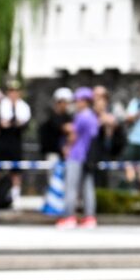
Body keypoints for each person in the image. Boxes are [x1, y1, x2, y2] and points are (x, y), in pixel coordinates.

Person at [58, 87, 100, 230]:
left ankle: (69, 216)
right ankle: (90, 217)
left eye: (77, 100)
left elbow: (73, 135)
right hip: (88, 156)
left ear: (85, 101)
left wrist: (67, 148)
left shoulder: (81, 116)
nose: (76, 103)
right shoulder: (93, 117)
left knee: (71, 187)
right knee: (88, 188)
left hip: (76, 155)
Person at [0, 80, 32, 208]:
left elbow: (23, 124)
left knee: (16, 171)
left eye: (15, 91)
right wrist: (12, 124)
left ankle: (15, 197)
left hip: (16, 140)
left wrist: (11, 124)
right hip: (3, 140)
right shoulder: (2, 105)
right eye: (11, 91)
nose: (13, 93)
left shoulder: (23, 106)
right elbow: (1, 124)